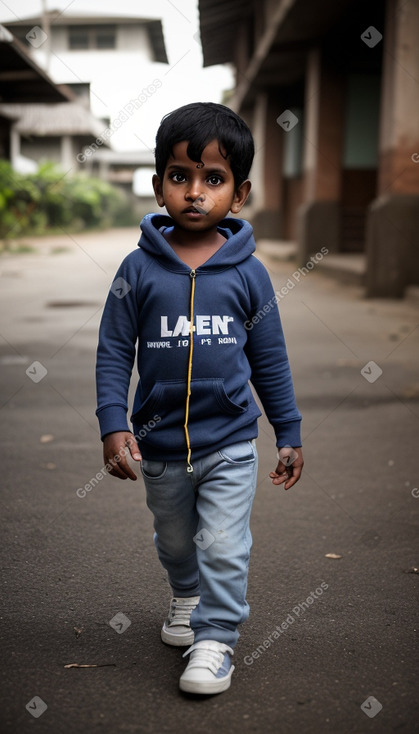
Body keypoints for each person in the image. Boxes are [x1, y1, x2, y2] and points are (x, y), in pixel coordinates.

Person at [96, 102, 303, 695]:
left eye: (213, 179)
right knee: (177, 538)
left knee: (225, 543)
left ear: (238, 195)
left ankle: (216, 641)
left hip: (230, 441)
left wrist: (287, 431)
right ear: (159, 185)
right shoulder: (135, 270)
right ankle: (184, 595)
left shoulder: (250, 274)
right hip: (159, 443)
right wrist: (114, 424)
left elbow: (269, 360)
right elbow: (113, 352)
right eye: (180, 176)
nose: (195, 192)